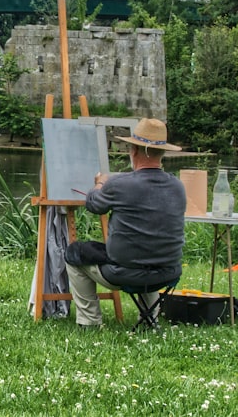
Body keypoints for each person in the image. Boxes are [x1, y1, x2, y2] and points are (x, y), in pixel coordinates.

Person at [64, 118, 186, 328]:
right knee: (149, 252)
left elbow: (93, 205)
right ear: (162, 153)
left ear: (134, 151)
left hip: (124, 273)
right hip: (168, 272)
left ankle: (89, 322)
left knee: (74, 253)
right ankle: (150, 320)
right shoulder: (178, 186)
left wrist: (100, 183)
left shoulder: (120, 184)